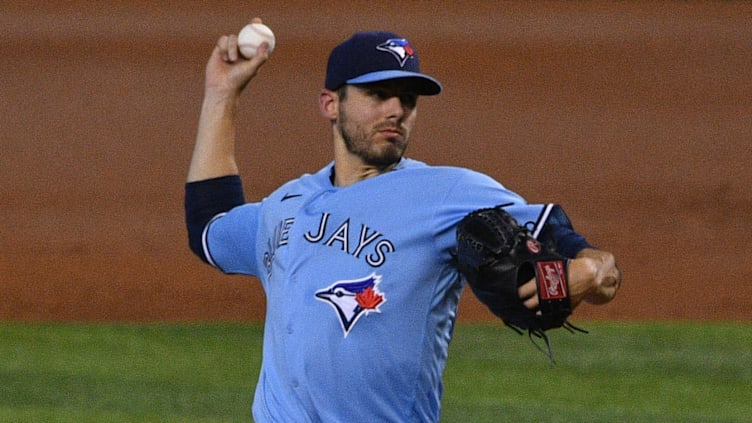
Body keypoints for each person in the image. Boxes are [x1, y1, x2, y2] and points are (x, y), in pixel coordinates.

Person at [185, 18, 621, 423]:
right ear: (330, 104)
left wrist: (581, 273)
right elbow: (210, 227)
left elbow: (590, 260)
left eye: (407, 99)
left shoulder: (450, 193)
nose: (395, 109)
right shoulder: (288, 203)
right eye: (377, 95)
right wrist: (221, 95)